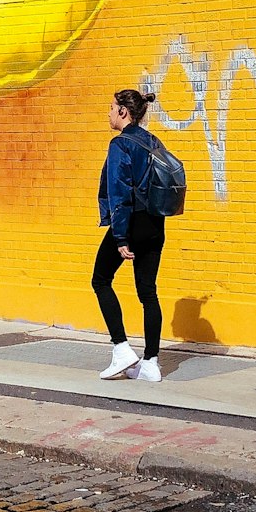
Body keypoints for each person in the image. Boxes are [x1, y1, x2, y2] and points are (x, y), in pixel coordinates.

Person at [92, 88, 166, 383]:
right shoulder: (153, 142)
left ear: (123, 112)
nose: (108, 113)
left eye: (111, 108)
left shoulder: (120, 144)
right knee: (148, 292)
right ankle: (151, 362)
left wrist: (120, 238)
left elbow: (119, 191)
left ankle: (121, 349)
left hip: (130, 223)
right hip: (155, 224)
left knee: (100, 280)